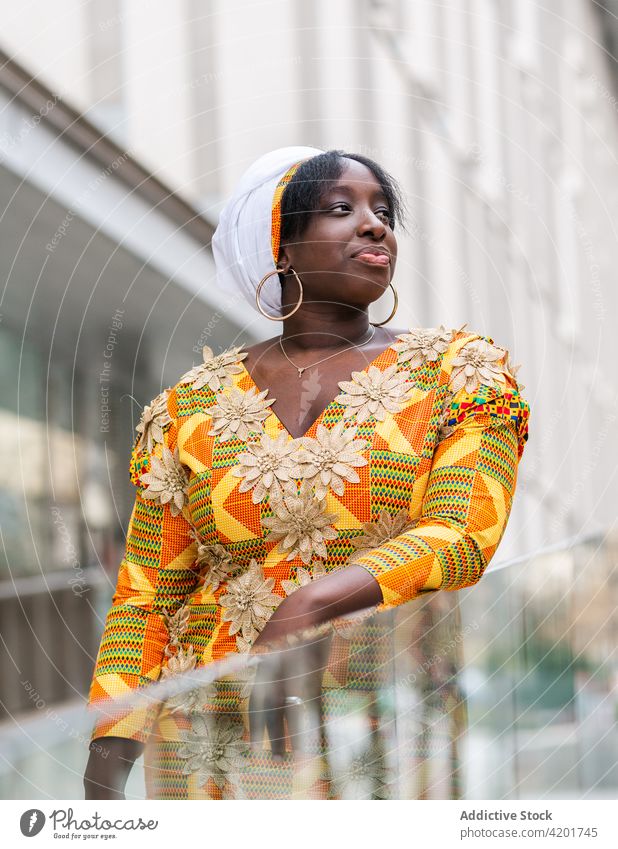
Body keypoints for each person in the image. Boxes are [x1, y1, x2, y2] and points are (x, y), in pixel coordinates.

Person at [83, 147, 530, 800]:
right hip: (210, 745)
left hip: (381, 728)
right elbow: (144, 601)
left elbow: (464, 532)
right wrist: (103, 772)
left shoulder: (459, 372)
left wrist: (312, 602)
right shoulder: (188, 407)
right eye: (341, 209)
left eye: (383, 211)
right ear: (281, 247)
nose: (375, 224)